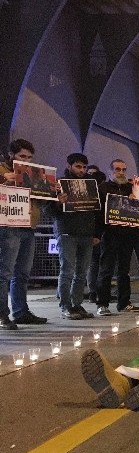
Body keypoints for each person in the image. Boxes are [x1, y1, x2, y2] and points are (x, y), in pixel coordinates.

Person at [0, 139, 49, 329]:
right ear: (11, 155)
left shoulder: (33, 175)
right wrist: (5, 180)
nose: (26, 160)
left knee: (22, 273)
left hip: (29, 226)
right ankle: (3, 315)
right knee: (4, 272)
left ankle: (21, 311)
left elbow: (41, 203)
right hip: (9, 226)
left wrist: (51, 194)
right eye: (22, 156)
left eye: (29, 157)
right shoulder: (3, 170)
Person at [48, 153, 98, 320]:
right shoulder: (58, 185)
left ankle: (77, 305)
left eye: (84, 167)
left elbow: (95, 211)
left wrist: (95, 233)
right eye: (78, 166)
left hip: (86, 233)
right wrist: (57, 202)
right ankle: (65, 306)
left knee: (82, 272)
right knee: (67, 270)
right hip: (67, 232)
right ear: (69, 166)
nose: (82, 170)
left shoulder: (91, 185)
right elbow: (48, 211)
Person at [94, 159, 139, 316]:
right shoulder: (103, 188)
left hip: (127, 235)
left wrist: (137, 202)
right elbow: (97, 213)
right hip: (109, 235)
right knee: (106, 270)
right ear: (110, 171)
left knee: (124, 271)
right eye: (117, 169)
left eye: (123, 169)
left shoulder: (132, 189)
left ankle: (124, 302)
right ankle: (102, 304)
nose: (121, 172)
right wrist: (97, 234)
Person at [85, 165, 108, 302]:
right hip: (94, 231)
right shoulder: (95, 192)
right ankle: (94, 291)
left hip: (99, 230)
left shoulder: (97, 191)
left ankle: (96, 291)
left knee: (97, 263)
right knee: (94, 263)